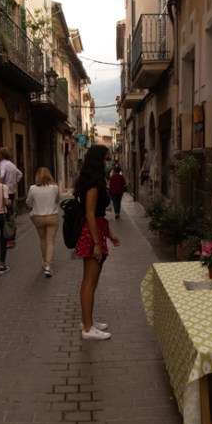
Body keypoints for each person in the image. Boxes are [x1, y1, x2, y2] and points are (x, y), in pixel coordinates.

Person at [74, 144, 121, 340]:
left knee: (91, 282)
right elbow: (90, 214)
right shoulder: (93, 183)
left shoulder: (92, 180)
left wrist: (109, 234)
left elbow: (98, 215)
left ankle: (88, 321)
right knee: (89, 282)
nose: (107, 162)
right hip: (91, 235)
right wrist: (97, 243)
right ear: (97, 160)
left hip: (96, 232)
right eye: (105, 158)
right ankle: (87, 328)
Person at [26, 167, 61, 277]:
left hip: (38, 217)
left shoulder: (32, 188)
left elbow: (29, 203)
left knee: (42, 239)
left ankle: (45, 261)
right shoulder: (55, 187)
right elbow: (57, 200)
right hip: (52, 216)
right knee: (50, 241)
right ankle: (48, 266)